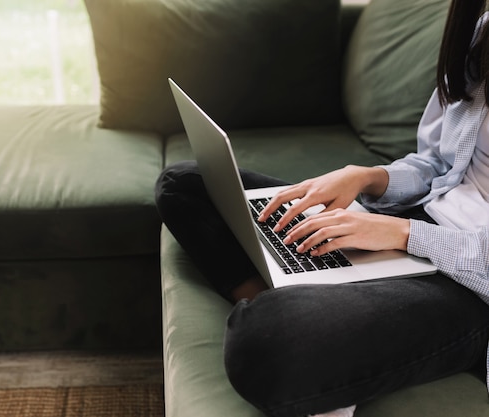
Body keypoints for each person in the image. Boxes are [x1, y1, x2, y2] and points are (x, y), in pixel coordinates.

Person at [154, 0, 489, 416]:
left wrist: (404, 236)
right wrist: (368, 177)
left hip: (468, 282)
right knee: (184, 184)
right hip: (410, 219)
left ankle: (297, 308)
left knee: (268, 340)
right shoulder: (481, 33)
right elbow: (440, 162)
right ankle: (287, 290)